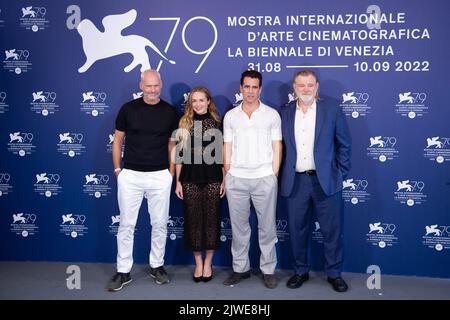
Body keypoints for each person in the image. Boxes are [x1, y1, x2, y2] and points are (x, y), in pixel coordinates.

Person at [279, 70, 351, 292]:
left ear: (317, 86)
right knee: (297, 229)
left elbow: (344, 145)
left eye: (310, 85)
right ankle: (300, 271)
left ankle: (334, 273)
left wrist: (339, 174)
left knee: (331, 230)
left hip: (325, 181)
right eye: (301, 85)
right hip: (296, 181)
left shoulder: (332, 108)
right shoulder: (286, 112)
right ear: (294, 87)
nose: (306, 89)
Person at [107, 69, 178, 291]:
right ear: (141, 86)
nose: (152, 90)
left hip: (160, 175)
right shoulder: (128, 109)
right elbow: (118, 140)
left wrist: (171, 173)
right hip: (131, 175)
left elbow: (172, 145)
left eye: (156, 85)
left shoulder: (170, 112)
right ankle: (123, 271)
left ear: (161, 84)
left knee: (159, 224)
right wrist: (118, 169)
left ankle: (157, 266)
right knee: (127, 224)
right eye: (148, 86)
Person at [222, 70, 282, 289]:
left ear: (260, 89)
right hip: (236, 179)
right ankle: (241, 269)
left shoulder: (272, 115)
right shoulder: (230, 116)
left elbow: (277, 145)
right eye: (246, 86)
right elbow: (226, 146)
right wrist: (227, 173)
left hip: (264, 178)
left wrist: (273, 173)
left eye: (254, 87)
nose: (250, 91)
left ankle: (268, 270)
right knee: (239, 228)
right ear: (241, 88)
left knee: (267, 228)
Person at [174, 87, 225, 283]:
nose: (197, 104)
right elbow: (179, 155)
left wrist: (224, 179)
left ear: (208, 101)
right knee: (193, 221)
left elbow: (221, 155)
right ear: (190, 103)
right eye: (194, 101)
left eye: (201, 100)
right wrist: (178, 181)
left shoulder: (217, 124)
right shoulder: (184, 124)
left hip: (213, 177)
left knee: (212, 220)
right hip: (189, 178)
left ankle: (208, 263)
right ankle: (198, 263)